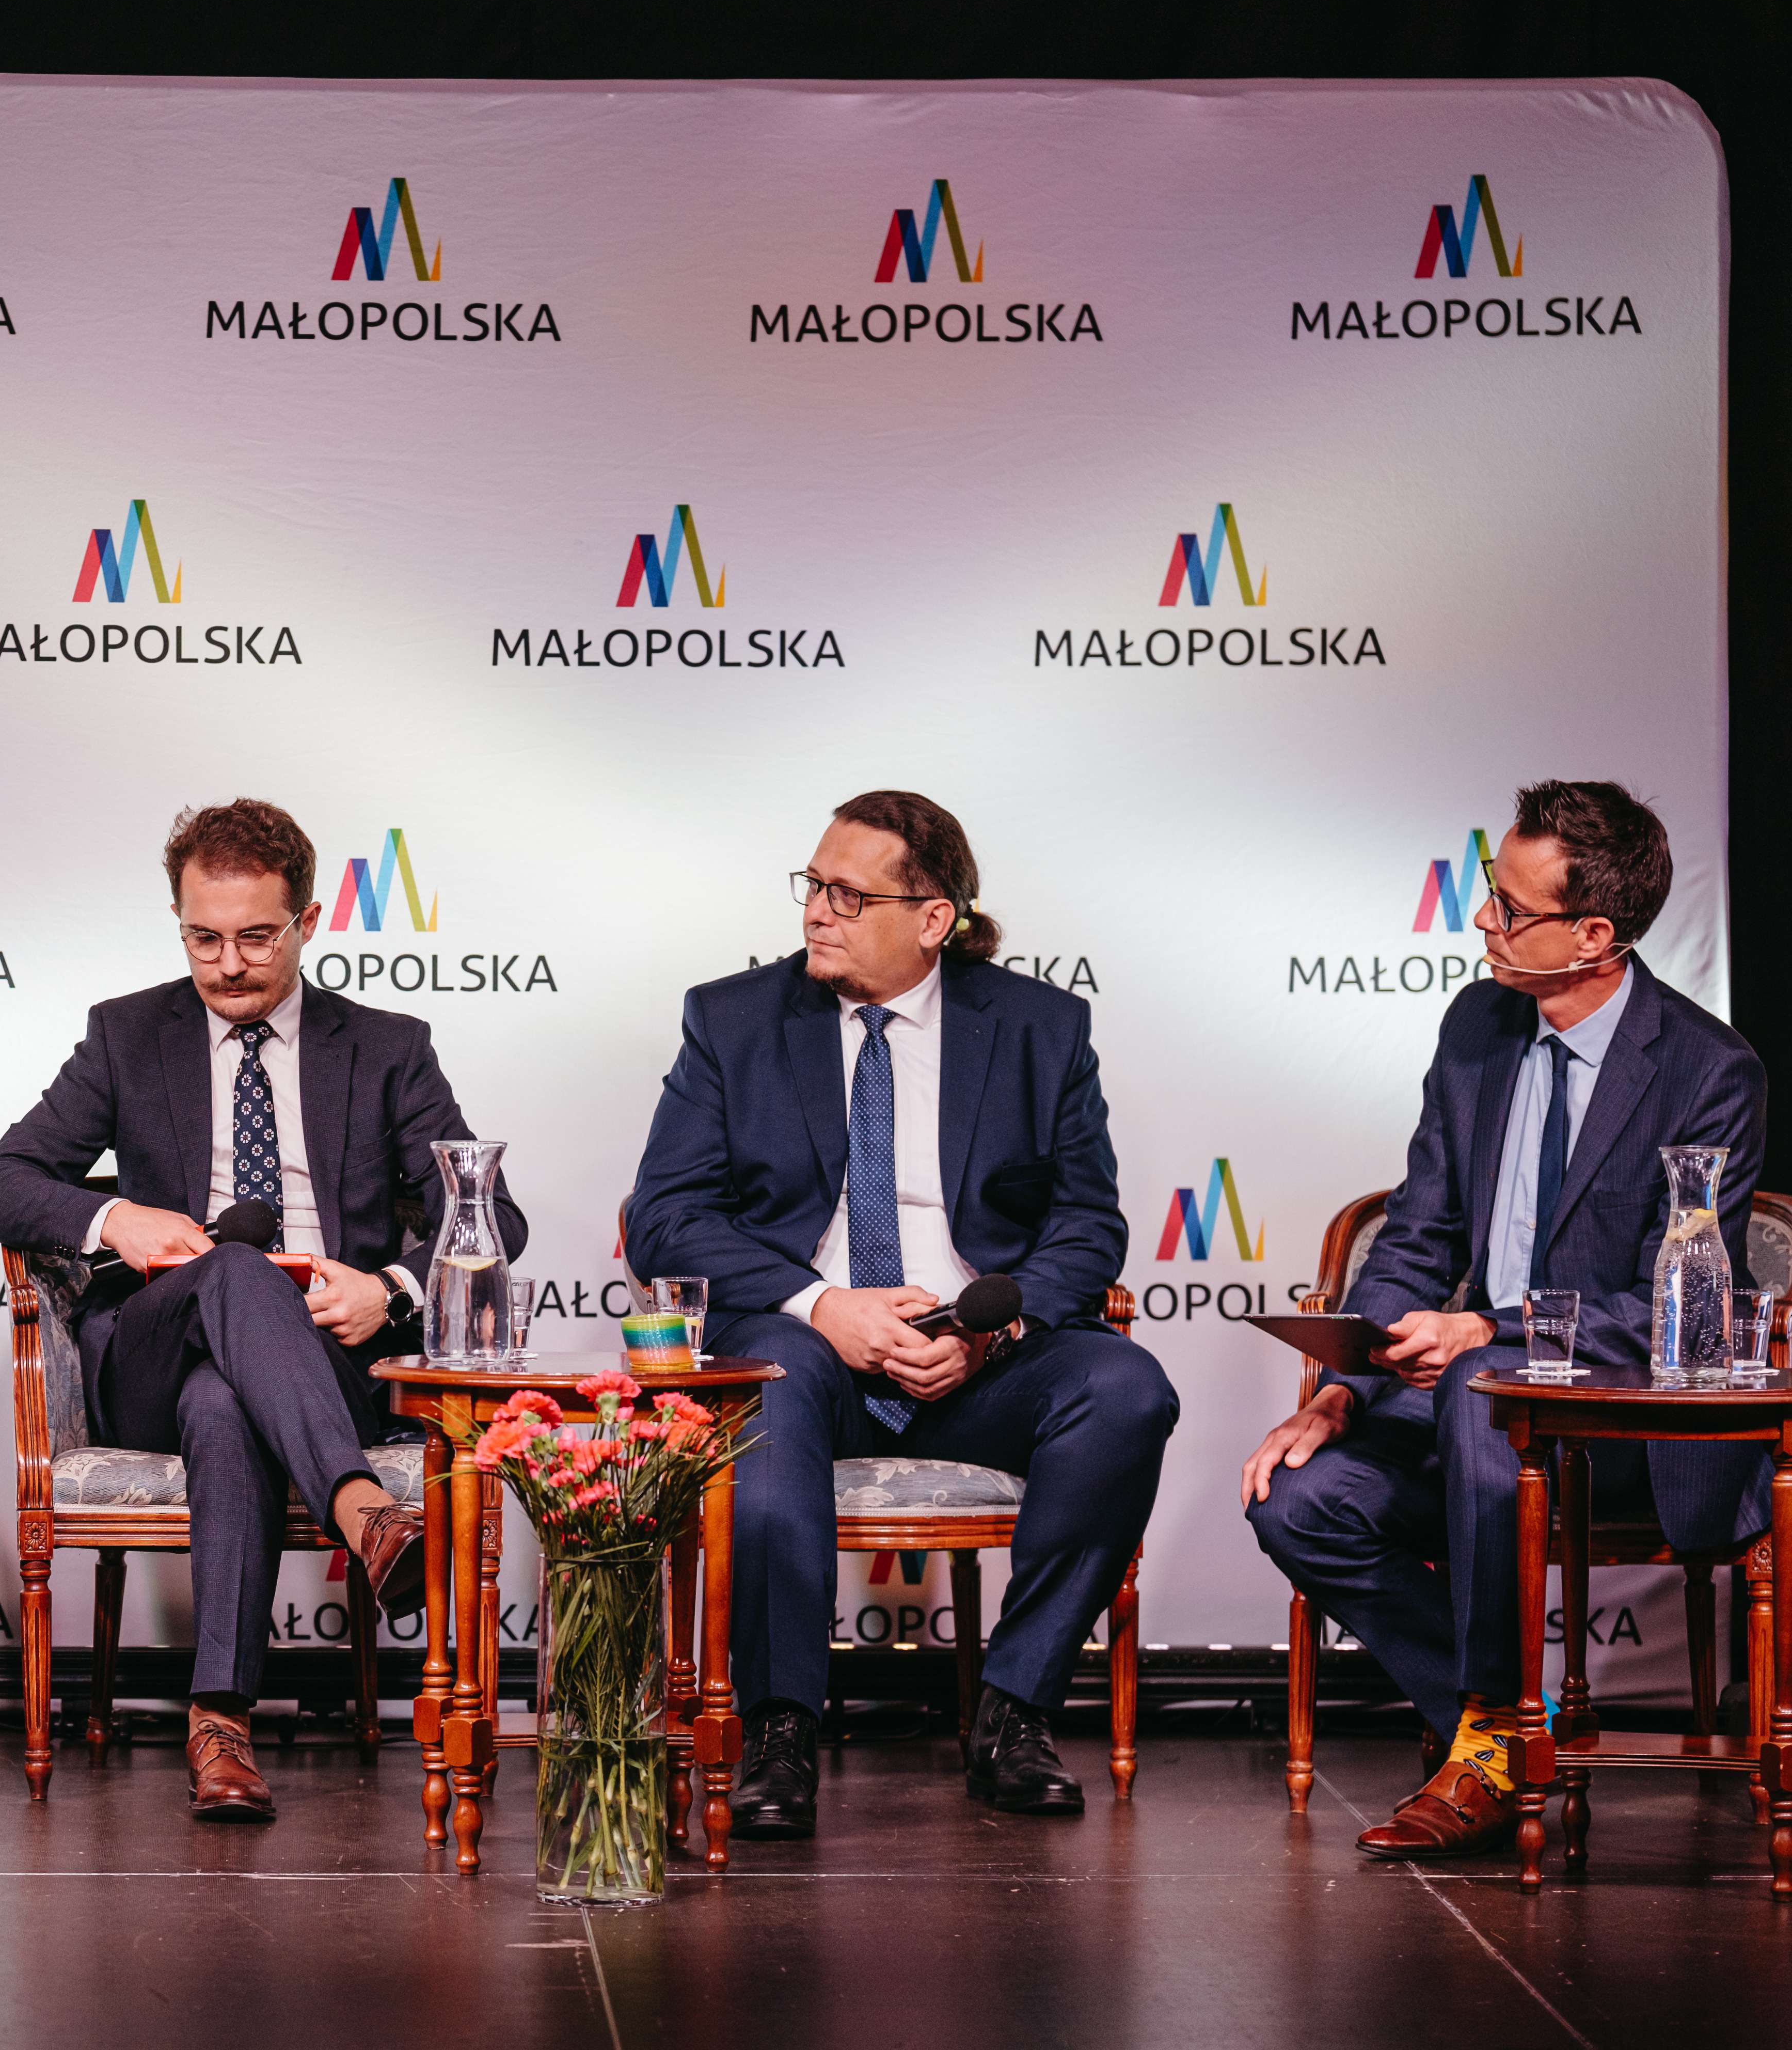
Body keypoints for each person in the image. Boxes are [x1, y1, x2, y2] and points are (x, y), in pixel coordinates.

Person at [626, 791, 1175, 1834]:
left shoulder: (1040, 1028)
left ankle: (1014, 1712)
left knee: (1126, 1389)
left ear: (934, 919)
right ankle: (779, 1728)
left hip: (977, 1357)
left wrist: (988, 1332)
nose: (816, 912)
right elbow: (664, 1219)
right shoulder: (733, 1020)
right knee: (772, 1382)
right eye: (813, 886)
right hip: (809, 1349)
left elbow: (1086, 1225)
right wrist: (822, 1303)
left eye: (849, 895)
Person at [0, 798, 523, 1822]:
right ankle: (365, 1514)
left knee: (226, 1405)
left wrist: (388, 1287)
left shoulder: (386, 1047)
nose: (227, 965)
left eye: (256, 937)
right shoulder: (129, 1034)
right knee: (234, 1267)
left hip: (323, 1359)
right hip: (156, 1344)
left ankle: (219, 1724)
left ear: (309, 922)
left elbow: (493, 1214)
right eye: (203, 938)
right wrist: (117, 1216)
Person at [1242, 780, 1767, 1858]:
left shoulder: (1711, 1071)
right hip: (1469, 1409)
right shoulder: (1478, 1024)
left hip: (1624, 1428)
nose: (1483, 919)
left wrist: (1490, 1333)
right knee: (1300, 1500)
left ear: (1594, 937)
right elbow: (1419, 1233)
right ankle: (1506, 1730)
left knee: (1483, 1399)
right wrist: (1345, 1387)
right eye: (1490, 892)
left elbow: (1675, 1306)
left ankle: (1487, 1745)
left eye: (1512, 909)